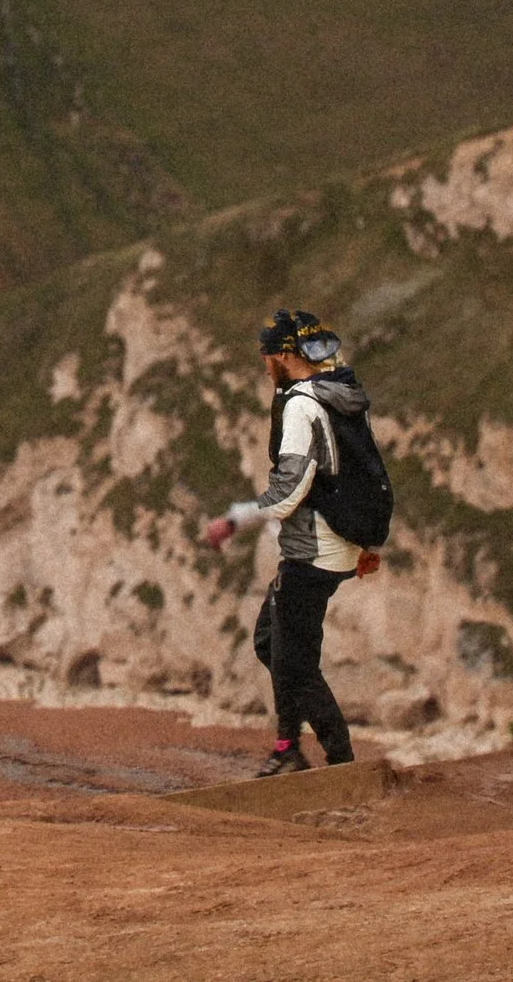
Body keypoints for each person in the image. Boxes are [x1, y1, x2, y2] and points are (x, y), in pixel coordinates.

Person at [203, 309, 380, 777]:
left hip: (314, 548)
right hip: (335, 542)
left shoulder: (304, 404)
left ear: (284, 355)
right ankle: (292, 750)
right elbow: (359, 472)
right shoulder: (341, 393)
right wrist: (362, 544)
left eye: (267, 357)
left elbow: (289, 491)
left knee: (293, 660)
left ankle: (331, 762)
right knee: (272, 643)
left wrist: (234, 520)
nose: (265, 366)